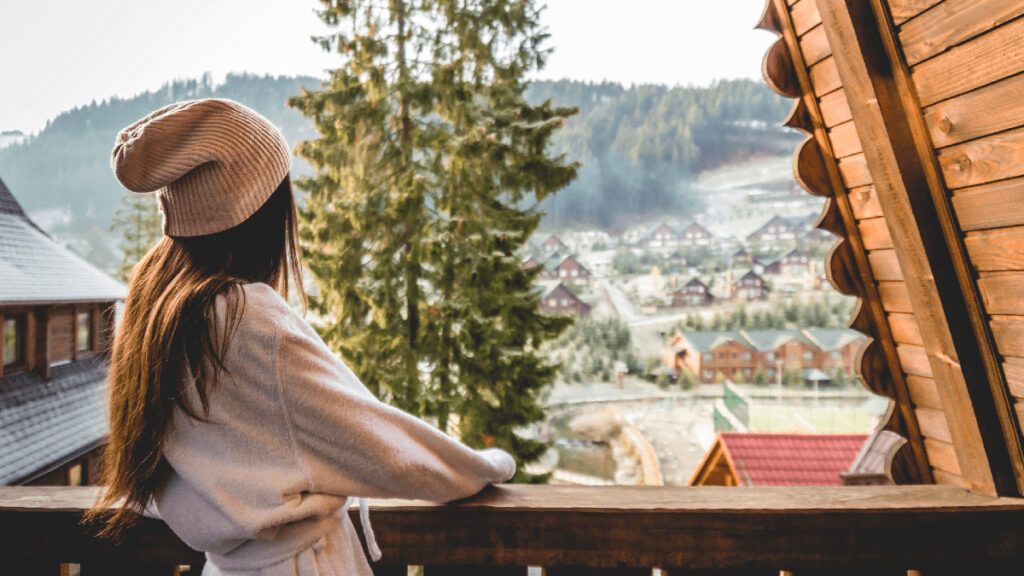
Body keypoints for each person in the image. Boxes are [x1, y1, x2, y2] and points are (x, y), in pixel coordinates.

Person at [87, 99, 516, 576]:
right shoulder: (246, 319)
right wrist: (483, 467)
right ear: (258, 209)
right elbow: (372, 439)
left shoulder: (156, 307)